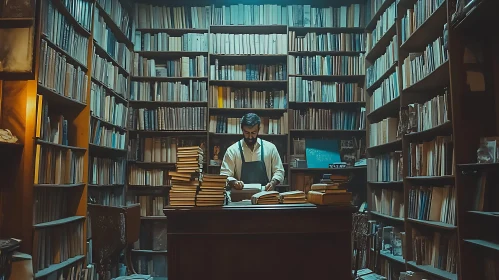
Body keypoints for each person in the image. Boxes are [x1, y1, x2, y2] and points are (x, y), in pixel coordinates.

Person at [220, 113, 285, 191]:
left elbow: (279, 171)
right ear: (242, 130)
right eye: (247, 133)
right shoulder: (232, 150)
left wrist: (273, 183)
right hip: (240, 198)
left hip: (265, 197)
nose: (250, 137)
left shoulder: (270, 148)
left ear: (258, 130)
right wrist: (234, 182)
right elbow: (225, 175)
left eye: (253, 133)